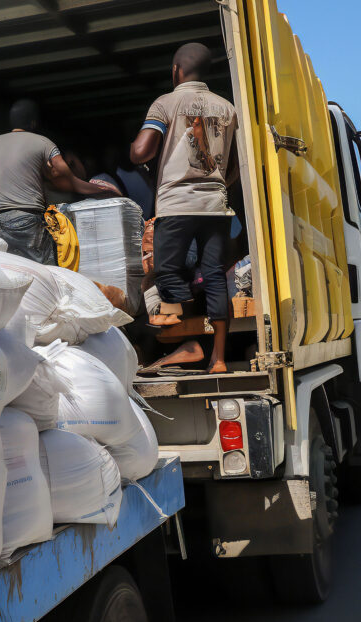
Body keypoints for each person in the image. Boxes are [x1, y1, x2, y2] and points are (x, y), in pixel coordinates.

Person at [130, 42, 238, 374]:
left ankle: (181, 324)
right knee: (216, 277)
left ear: (176, 70)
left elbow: (142, 151)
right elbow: (237, 164)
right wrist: (220, 184)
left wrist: (134, 151)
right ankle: (217, 359)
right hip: (215, 205)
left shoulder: (166, 102)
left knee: (164, 269)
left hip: (177, 203)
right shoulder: (228, 108)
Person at [0, 99, 117, 264]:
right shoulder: (43, 143)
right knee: (43, 272)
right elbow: (69, 180)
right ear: (33, 122)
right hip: (27, 219)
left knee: (9, 271)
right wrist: (100, 190)